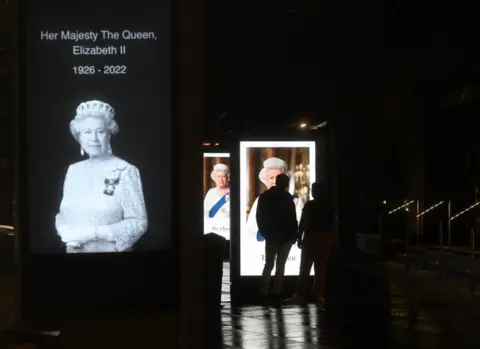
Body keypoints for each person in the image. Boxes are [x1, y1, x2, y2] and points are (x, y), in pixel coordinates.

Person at [55, 100, 148, 253]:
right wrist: (66, 234)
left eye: (100, 131)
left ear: (109, 134)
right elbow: (63, 215)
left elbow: (138, 223)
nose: (94, 138)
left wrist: (91, 234)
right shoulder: (73, 170)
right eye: (87, 132)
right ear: (79, 137)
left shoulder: (126, 170)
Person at [287, 182, 338, 305]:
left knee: (305, 267)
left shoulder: (310, 205)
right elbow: (334, 223)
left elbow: (303, 222)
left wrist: (299, 237)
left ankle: (301, 294)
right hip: (326, 237)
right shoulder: (330, 206)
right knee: (321, 267)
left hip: (312, 237)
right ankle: (318, 294)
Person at [256, 173, 298, 302]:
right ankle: (276, 292)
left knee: (268, 264)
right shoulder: (287, 198)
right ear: (286, 184)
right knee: (281, 265)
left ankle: (263, 292)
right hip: (285, 236)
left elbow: (259, 216)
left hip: (271, 235)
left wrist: (265, 232)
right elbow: (292, 218)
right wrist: (294, 234)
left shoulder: (265, 196)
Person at [246, 157, 304, 242]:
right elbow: (250, 230)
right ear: (266, 180)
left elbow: (298, 228)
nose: (275, 182)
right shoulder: (260, 199)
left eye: (278, 178)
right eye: (271, 178)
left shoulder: (296, 201)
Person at [204, 163, 230, 238]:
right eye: (218, 176)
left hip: (227, 229)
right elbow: (205, 210)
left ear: (228, 178)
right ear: (214, 178)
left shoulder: (233, 193)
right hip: (212, 228)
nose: (221, 179)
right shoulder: (210, 192)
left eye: (223, 177)